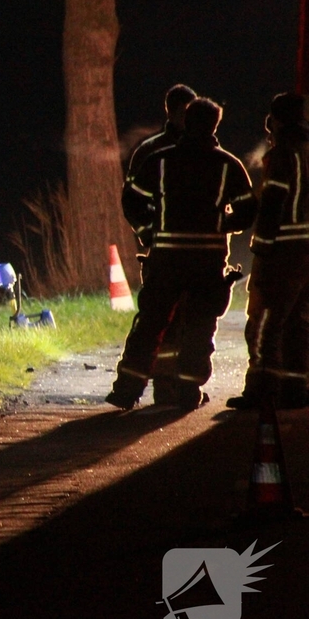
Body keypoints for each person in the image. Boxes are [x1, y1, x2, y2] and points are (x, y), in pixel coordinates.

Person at [106, 97, 258, 410]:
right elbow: (247, 209)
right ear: (214, 126)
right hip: (207, 258)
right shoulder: (228, 165)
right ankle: (188, 392)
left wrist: (149, 231)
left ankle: (126, 390)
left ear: (185, 123)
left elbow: (132, 199)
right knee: (200, 325)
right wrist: (223, 225)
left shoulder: (159, 161)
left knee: (150, 322)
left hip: (166, 257)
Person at [227, 92, 309, 410]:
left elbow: (273, 203)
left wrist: (260, 248)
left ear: (276, 121)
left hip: (284, 253)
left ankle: (262, 389)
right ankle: (296, 387)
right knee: (300, 322)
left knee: (265, 322)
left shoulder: (283, 155)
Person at [125, 84, 198, 405]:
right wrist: (147, 233)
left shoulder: (204, 149)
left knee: (193, 320)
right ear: (171, 111)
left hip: (197, 253)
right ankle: (165, 386)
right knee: (162, 321)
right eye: (184, 112)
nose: (187, 118)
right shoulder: (151, 151)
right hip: (164, 252)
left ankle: (184, 386)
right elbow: (132, 200)